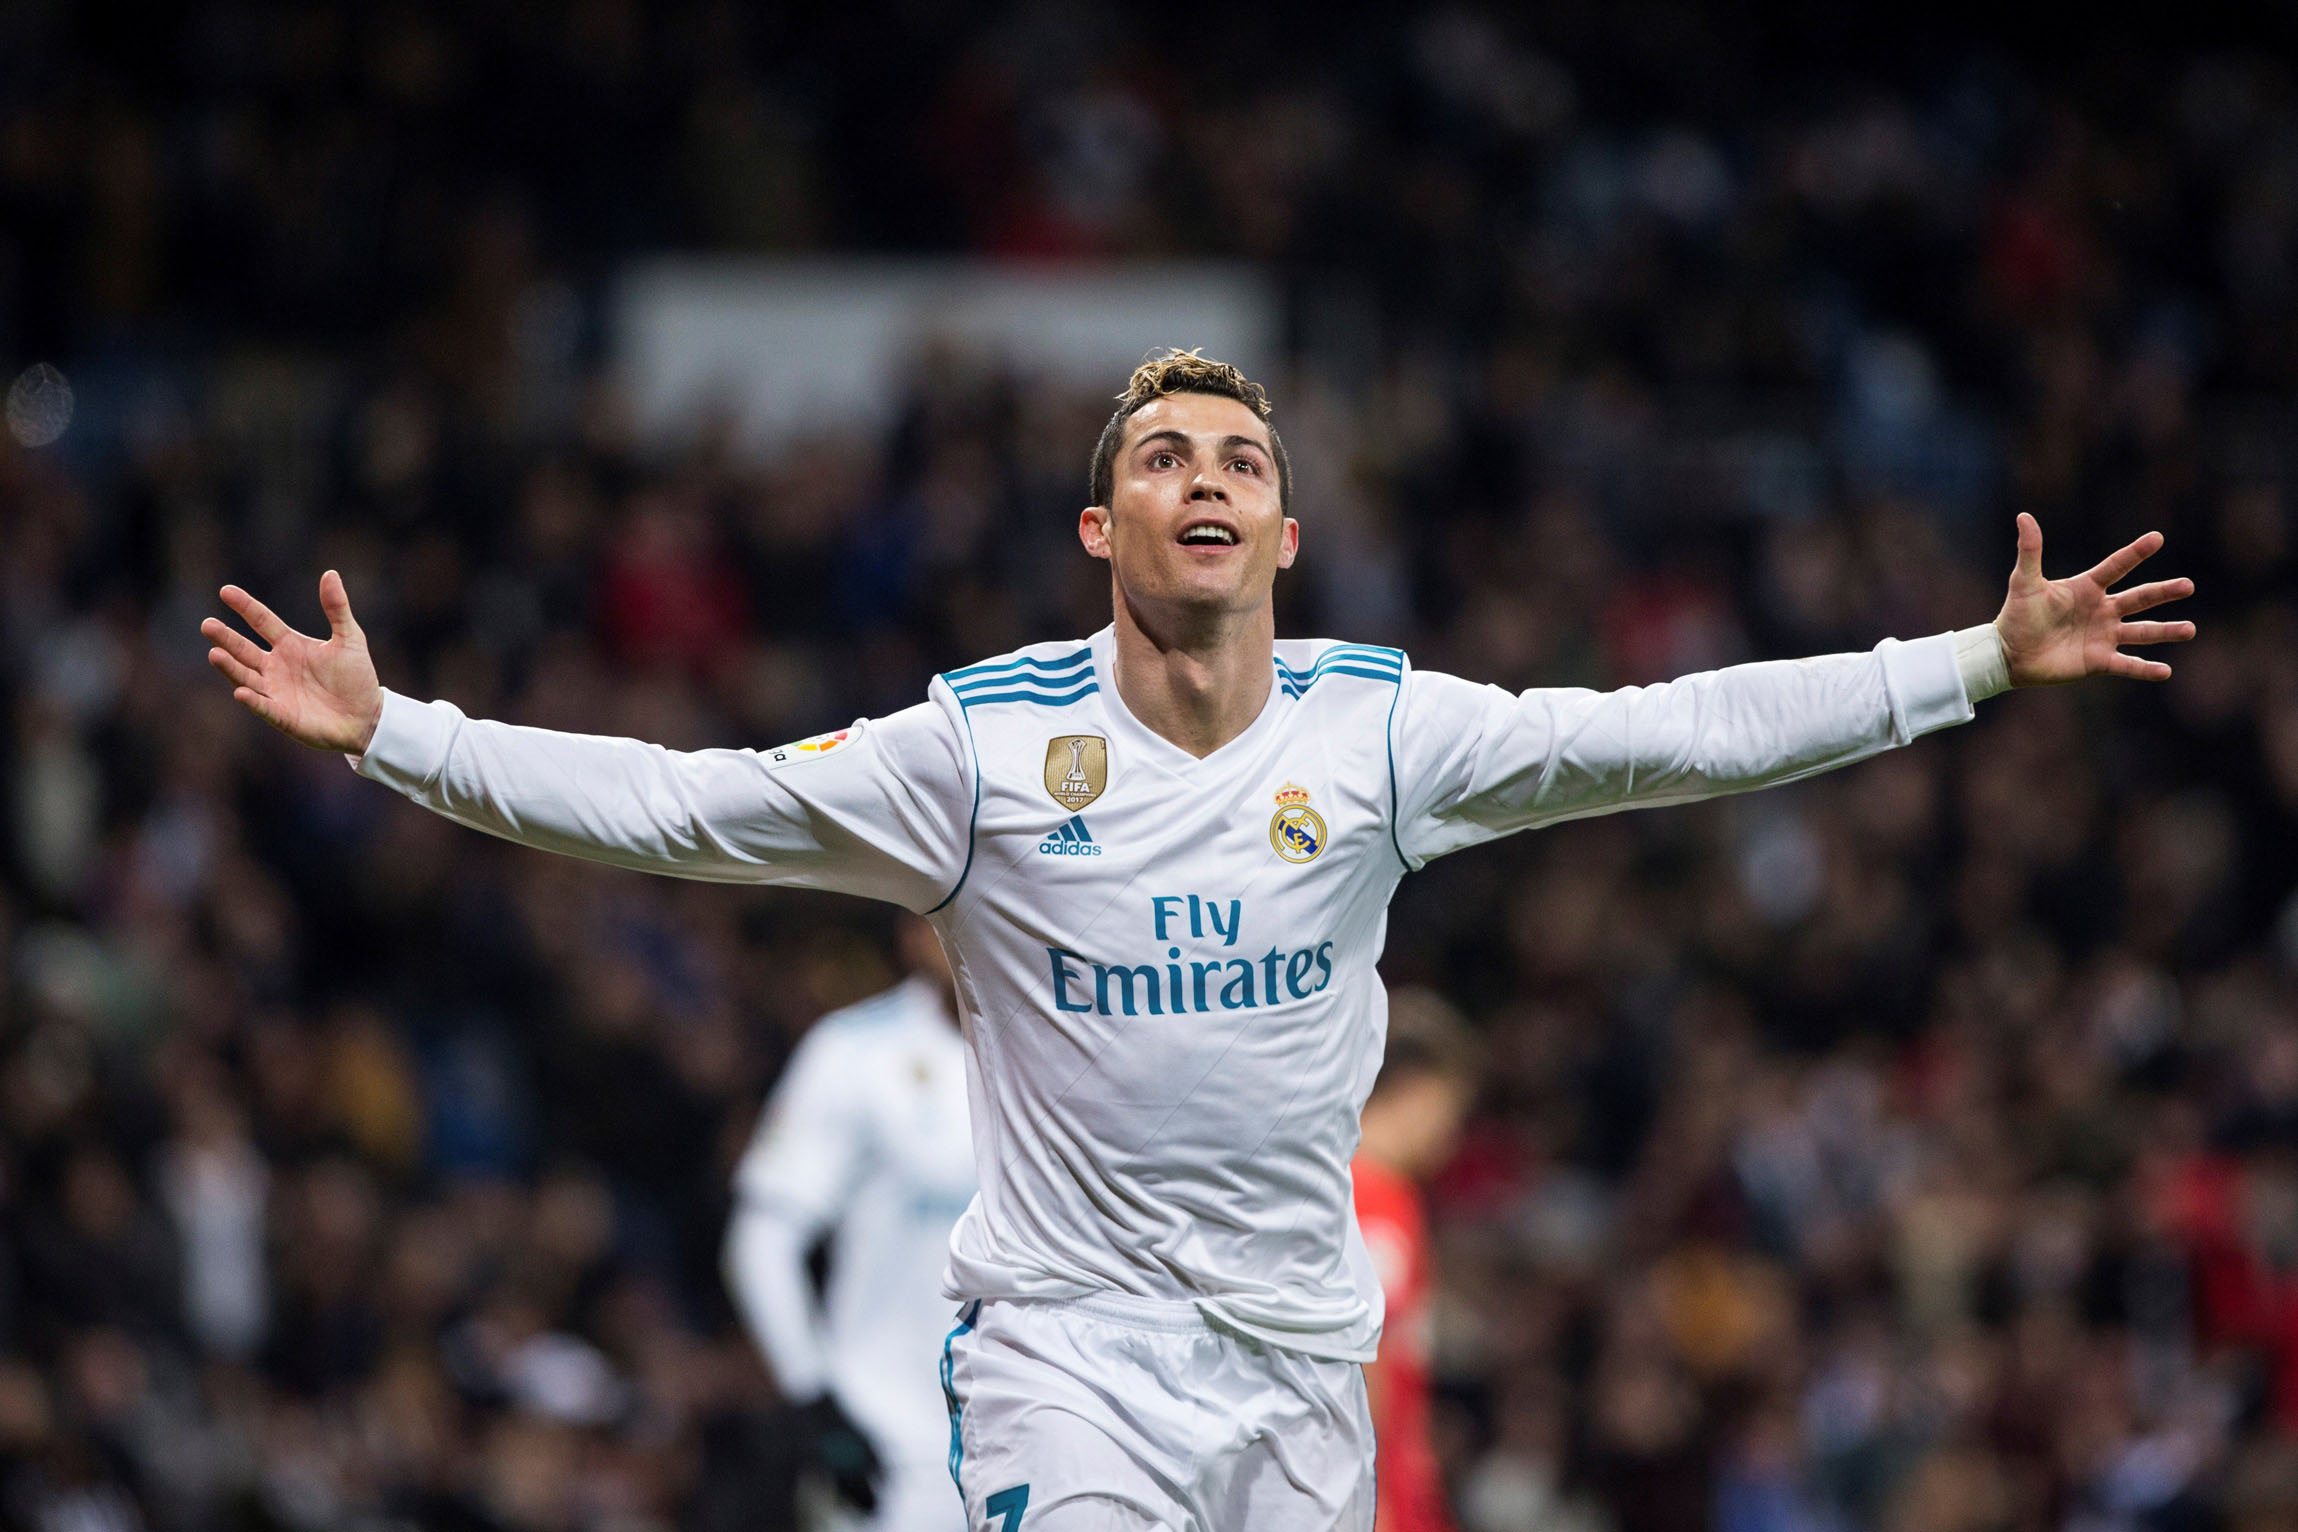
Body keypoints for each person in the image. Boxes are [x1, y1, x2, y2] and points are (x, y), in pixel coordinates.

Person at [200, 350, 2194, 1532]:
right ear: (1104, 535)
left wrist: (1968, 665)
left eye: (1243, 460)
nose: (1208, 479)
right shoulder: (974, 752)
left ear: (1288, 536)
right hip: (1065, 1358)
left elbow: (1674, 737)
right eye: (1165, 458)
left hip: (1299, 1366)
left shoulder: (1387, 733)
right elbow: (680, 800)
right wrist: (399, 733)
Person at [725, 915, 974, 1532]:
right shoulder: (853, 1052)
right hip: (889, 1446)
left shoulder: (1059, 1053)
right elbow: (761, 1242)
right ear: (912, 936)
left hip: (1037, 1429)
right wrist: (814, 1401)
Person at [1351, 989, 1480, 1532]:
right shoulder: (1374, 1199)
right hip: (1376, 1489)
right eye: (1451, 1109)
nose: (1449, 1137)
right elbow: (1359, 1354)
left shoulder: (1365, 1191)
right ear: (1416, 1090)